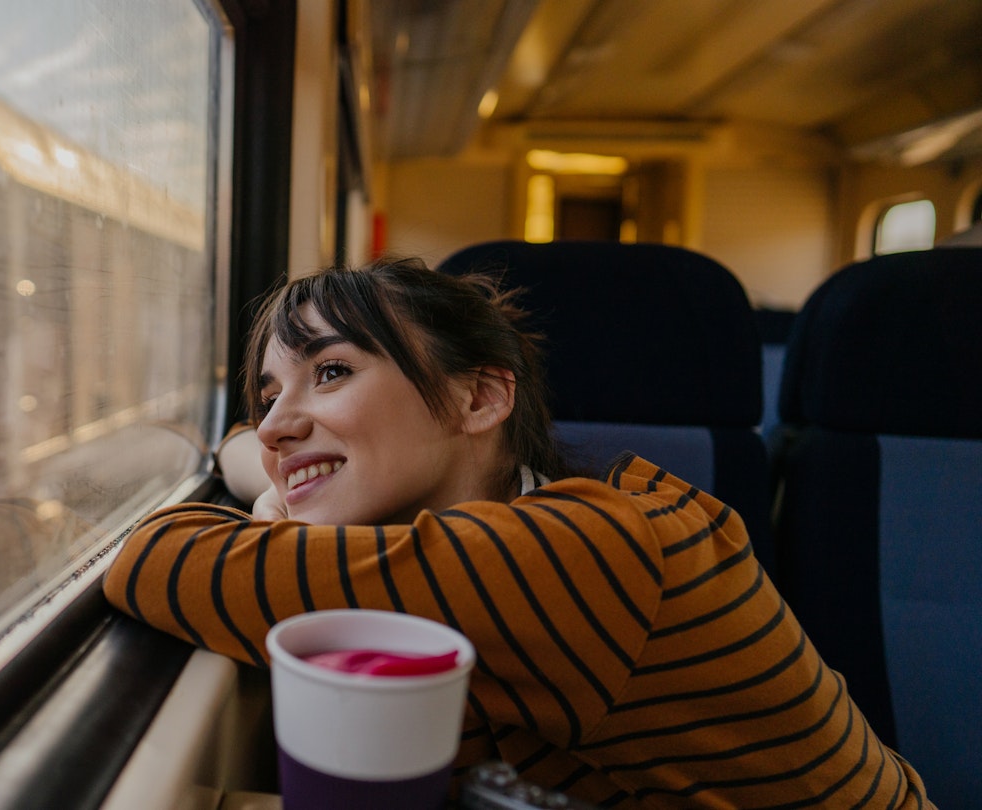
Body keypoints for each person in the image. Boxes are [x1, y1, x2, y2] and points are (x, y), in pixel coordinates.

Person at [102, 257, 932, 808]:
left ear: (479, 400)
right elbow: (246, 448)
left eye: (332, 371)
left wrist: (277, 508)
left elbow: (152, 557)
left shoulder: (589, 553)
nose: (279, 423)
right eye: (269, 393)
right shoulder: (456, 550)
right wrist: (275, 484)